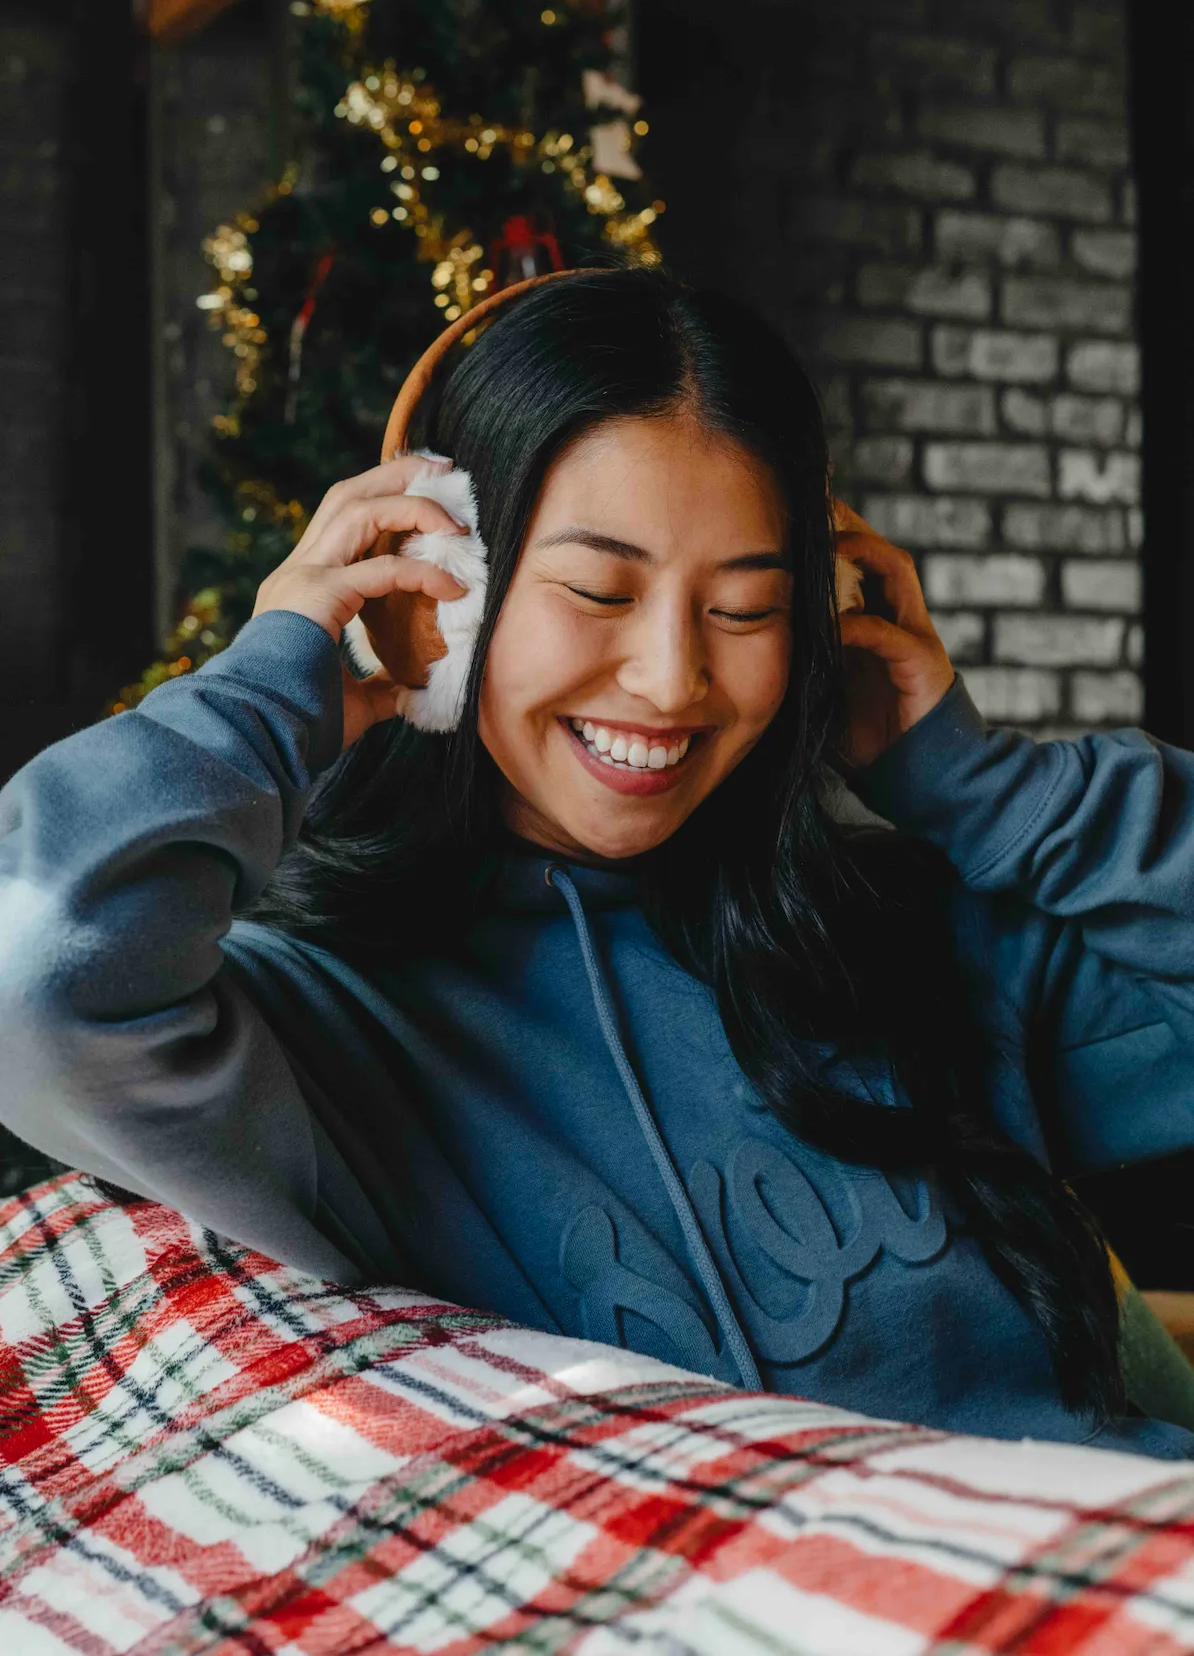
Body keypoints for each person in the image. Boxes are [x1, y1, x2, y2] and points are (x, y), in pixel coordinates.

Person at [1, 266, 1191, 1457]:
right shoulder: (313, 1032)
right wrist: (275, 689)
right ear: (442, 603)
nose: (672, 680)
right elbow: (34, 968)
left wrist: (985, 788)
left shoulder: (914, 932)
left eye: (745, 609)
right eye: (596, 590)